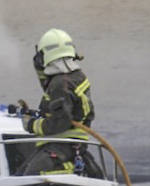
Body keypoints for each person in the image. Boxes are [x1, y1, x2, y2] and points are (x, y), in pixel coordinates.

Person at [18, 28, 100, 176]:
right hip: (77, 147)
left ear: (45, 56)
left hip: (59, 147)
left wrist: (31, 124)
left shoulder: (60, 84)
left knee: (24, 177)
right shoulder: (77, 76)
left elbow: (60, 122)